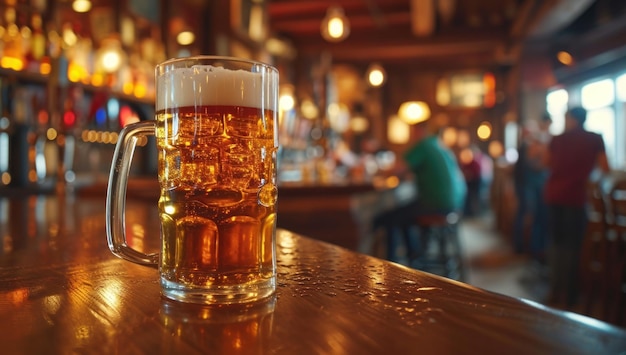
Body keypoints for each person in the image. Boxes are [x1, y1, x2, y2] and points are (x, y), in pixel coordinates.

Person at [543, 106, 610, 309]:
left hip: (554, 195)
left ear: (571, 119)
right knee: (573, 246)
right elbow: (605, 168)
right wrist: (590, 182)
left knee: (556, 243)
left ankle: (555, 290)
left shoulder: (557, 139)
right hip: (577, 197)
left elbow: (546, 163)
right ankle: (570, 295)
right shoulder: (595, 139)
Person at [372, 121, 467, 262]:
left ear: (419, 131)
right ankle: (414, 256)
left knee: (389, 219)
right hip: (455, 202)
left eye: (412, 132)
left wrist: (377, 170)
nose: (411, 136)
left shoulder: (423, 145)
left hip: (437, 202)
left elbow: (398, 170)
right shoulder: (438, 144)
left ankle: (391, 265)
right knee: (403, 215)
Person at [512, 114, 551, 261]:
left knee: (532, 215)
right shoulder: (532, 143)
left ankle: (528, 248)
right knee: (532, 215)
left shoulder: (533, 142)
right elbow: (535, 165)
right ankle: (528, 249)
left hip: (527, 184)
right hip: (528, 185)